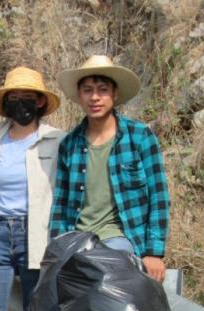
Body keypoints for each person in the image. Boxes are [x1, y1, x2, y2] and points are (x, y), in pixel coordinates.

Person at [52, 55, 169, 282]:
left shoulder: (139, 137)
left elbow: (159, 196)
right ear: (79, 96)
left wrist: (153, 252)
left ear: (114, 94)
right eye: (87, 90)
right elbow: (61, 205)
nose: (95, 97)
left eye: (102, 90)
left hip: (120, 239)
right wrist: (56, 252)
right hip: (78, 242)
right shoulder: (70, 145)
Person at [0, 67, 66, 311]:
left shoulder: (57, 141)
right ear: (5, 103)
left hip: (35, 234)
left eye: (28, 96)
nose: (21, 102)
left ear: (40, 102)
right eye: (15, 96)